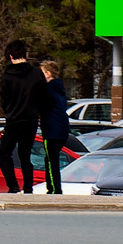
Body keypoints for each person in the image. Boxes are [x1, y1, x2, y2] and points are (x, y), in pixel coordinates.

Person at [0, 39, 47, 194]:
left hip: (14, 119)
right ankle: (28, 187)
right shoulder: (37, 73)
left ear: (10, 56)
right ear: (27, 54)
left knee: (4, 154)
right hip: (31, 119)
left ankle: (13, 186)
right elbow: (44, 96)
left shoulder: (7, 76)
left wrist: (9, 113)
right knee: (25, 154)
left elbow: (3, 99)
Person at [40, 60, 69, 195]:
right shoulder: (60, 88)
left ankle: (54, 189)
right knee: (52, 158)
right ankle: (54, 187)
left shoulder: (47, 89)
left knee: (51, 160)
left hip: (51, 128)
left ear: (47, 74)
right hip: (62, 127)